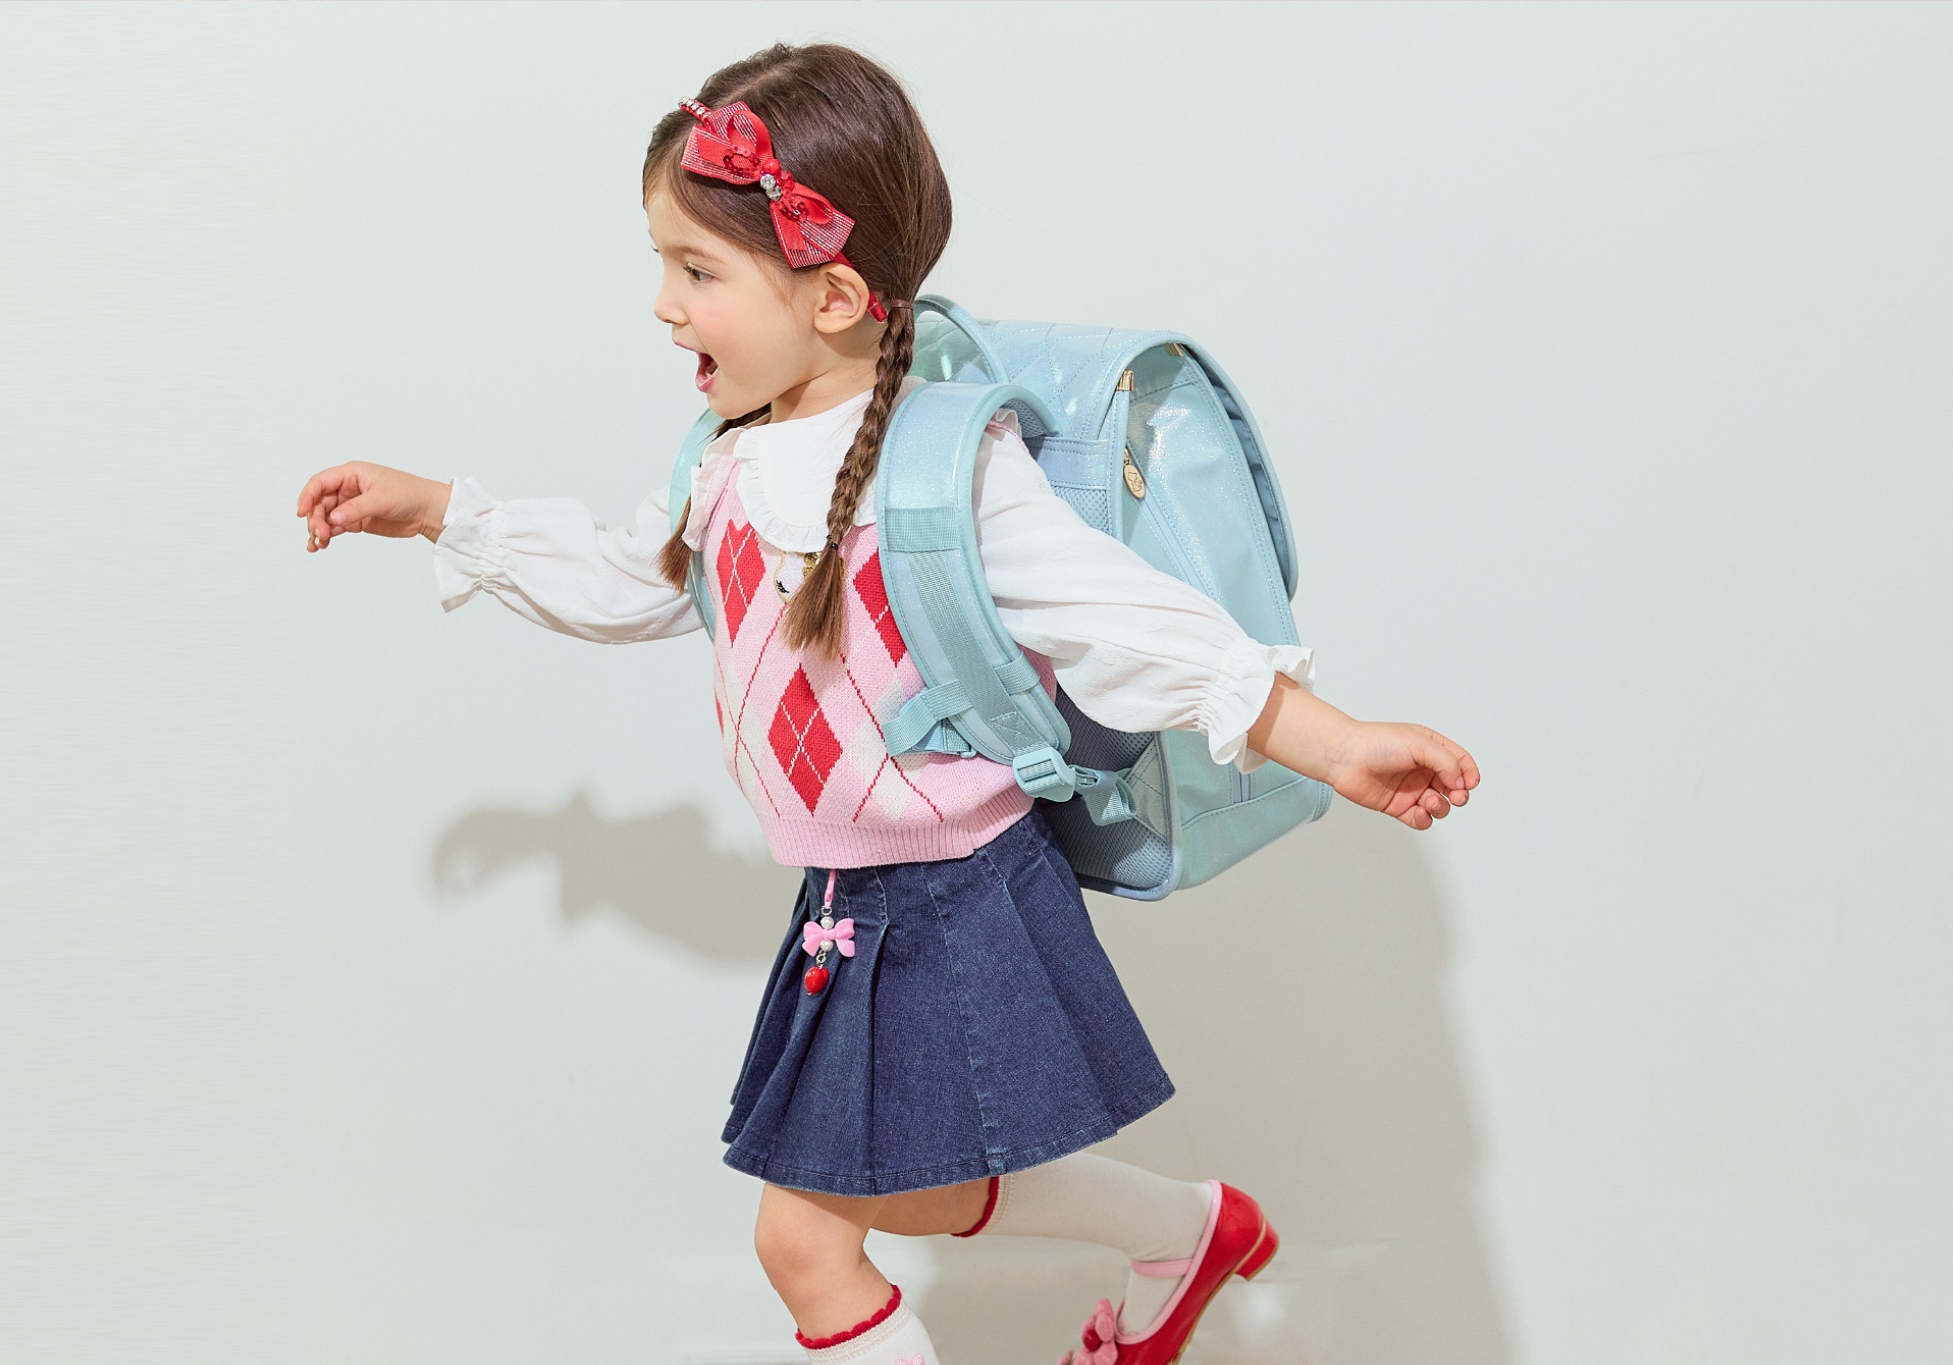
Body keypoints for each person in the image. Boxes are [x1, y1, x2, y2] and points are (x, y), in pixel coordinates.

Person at [293, 41, 1479, 1365]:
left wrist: (1334, 741)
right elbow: (635, 581)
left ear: (837, 293)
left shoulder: (947, 468)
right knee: (907, 1197)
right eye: (663, 265)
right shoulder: (729, 456)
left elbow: (1127, 622)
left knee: (804, 1243)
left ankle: (1183, 1235)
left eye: (697, 271)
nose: (664, 307)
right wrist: (445, 514)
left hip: (950, 897)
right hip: (852, 897)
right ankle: (1188, 1233)